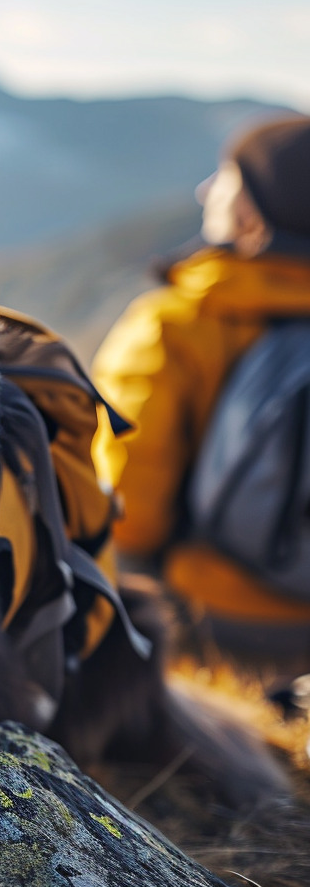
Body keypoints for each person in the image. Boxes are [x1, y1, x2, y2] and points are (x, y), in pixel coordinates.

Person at [91, 115, 310, 675]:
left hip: (215, 626)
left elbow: (125, 512)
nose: (205, 189)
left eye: (227, 176)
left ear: (252, 208)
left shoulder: (177, 322)